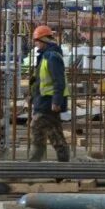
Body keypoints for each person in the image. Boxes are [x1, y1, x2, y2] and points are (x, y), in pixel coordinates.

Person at [28, 25, 70, 162]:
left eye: (37, 41)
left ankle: (32, 167)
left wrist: (56, 102)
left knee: (37, 129)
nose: (36, 44)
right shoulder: (45, 56)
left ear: (44, 40)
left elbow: (59, 81)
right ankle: (63, 169)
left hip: (48, 103)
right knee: (55, 135)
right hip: (43, 101)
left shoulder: (52, 57)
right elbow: (40, 80)